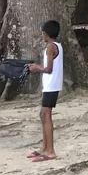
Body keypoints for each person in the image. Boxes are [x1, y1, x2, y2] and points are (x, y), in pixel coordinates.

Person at [26, 20, 64, 162]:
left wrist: (36, 68)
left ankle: (50, 151)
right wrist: (37, 65)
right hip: (50, 85)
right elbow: (48, 64)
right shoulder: (57, 45)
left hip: (51, 86)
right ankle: (44, 147)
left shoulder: (50, 47)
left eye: (43, 33)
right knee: (43, 114)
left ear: (46, 34)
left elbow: (48, 69)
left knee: (46, 116)